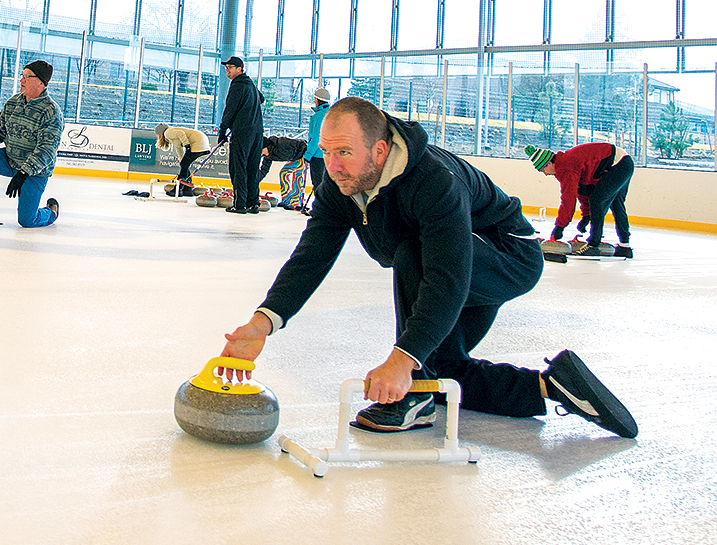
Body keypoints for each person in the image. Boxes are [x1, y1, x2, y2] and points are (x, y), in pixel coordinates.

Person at [219, 97, 637, 439]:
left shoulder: (434, 180)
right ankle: (554, 386)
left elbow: (447, 273)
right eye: (327, 152)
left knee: (413, 268)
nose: (334, 165)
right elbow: (313, 254)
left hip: (507, 256)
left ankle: (412, 399)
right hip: (452, 264)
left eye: (344, 152)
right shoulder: (340, 184)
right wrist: (263, 322)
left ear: (379, 149)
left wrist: (402, 358)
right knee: (442, 369)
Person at [0, 60, 64, 227]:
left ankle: (51, 212)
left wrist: (23, 173)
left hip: (34, 172)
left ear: (41, 82)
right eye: (22, 76)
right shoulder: (14, 102)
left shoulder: (51, 112)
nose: (21, 80)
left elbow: (46, 151)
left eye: (26, 77)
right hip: (10, 159)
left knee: (27, 220)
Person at [526, 143, 635, 256]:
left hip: (618, 165)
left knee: (598, 200)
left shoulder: (565, 166)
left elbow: (568, 199)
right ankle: (625, 246)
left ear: (549, 163)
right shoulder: (565, 163)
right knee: (615, 203)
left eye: (543, 169)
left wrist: (560, 227)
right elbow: (584, 190)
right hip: (624, 163)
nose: (545, 174)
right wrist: (587, 216)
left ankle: (593, 245)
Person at [217, 56, 265, 214]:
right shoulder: (250, 83)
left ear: (239, 69)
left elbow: (229, 109)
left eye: (230, 67)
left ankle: (240, 204)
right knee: (252, 167)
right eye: (226, 67)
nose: (227, 70)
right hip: (257, 132)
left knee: (239, 168)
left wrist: (223, 130)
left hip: (242, 132)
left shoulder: (237, 85)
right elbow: (262, 98)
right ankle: (253, 203)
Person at [156, 124, 211, 196]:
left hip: (197, 143)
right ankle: (187, 189)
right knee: (184, 165)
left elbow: (180, 133)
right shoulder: (172, 133)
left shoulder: (167, 132)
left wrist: (186, 145)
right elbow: (178, 148)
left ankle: (178, 189)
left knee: (184, 165)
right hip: (203, 143)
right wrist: (182, 161)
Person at [258, 135, 308, 209]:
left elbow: (300, 144)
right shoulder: (268, 156)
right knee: (283, 173)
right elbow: (264, 170)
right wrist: (256, 181)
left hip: (303, 155)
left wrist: (306, 156)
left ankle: (295, 202)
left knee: (298, 175)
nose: (263, 155)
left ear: (267, 146)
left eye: (262, 151)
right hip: (294, 158)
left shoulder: (280, 143)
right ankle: (286, 200)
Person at [304, 86, 330, 192]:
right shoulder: (331, 114)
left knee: (318, 184)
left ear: (318, 100)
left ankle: (321, 207)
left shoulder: (319, 116)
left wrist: (307, 155)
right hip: (329, 155)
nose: (314, 101)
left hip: (318, 155)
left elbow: (316, 138)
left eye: (315, 99)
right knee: (325, 185)